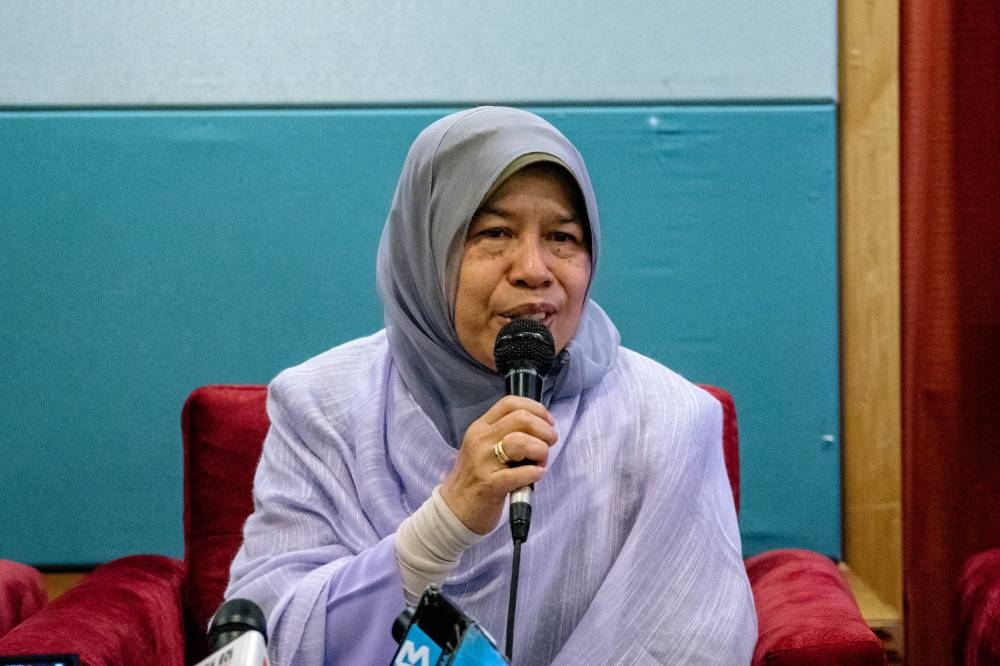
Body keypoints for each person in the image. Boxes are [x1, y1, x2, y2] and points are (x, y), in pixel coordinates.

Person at [225, 106, 757, 664]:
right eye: (495, 233)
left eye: (563, 237)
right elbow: (265, 634)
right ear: (426, 248)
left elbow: (689, 643)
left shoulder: (668, 418)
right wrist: (447, 519)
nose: (534, 268)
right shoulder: (321, 405)